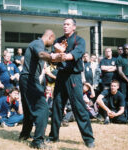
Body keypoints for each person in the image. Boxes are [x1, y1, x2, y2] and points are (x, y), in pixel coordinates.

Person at [47, 18, 95, 148]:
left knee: (79, 108)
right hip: (61, 76)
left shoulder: (79, 40)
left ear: (74, 27)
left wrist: (60, 53)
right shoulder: (58, 41)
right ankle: (53, 136)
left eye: (68, 24)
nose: (65, 26)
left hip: (74, 77)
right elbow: (52, 60)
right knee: (56, 107)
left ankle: (89, 139)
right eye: (64, 24)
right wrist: (56, 53)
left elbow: (73, 55)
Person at [19, 29, 64, 149]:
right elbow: (42, 54)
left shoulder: (37, 44)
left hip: (26, 78)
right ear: (50, 37)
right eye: (53, 40)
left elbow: (47, 56)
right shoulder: (38, 44)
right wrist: (53, 56)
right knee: (43, 108)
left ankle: (24, 134)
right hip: (29, 78)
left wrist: (58, 55)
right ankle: (37, 141)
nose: (52, 43)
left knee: (28, 109)